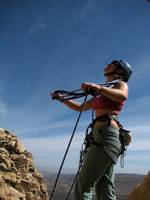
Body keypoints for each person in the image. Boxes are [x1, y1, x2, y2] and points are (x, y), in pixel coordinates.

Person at [51, 59, 132, 200]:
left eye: (112, 64)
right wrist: (62, 99)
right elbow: (80, 108)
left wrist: (99, 88)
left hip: (106, 135)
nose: (107, 64)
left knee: (83, 186)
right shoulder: (102, 93)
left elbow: (122, 95)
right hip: (106, 136)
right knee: (104, 187)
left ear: (120, 71)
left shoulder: (119, 84)